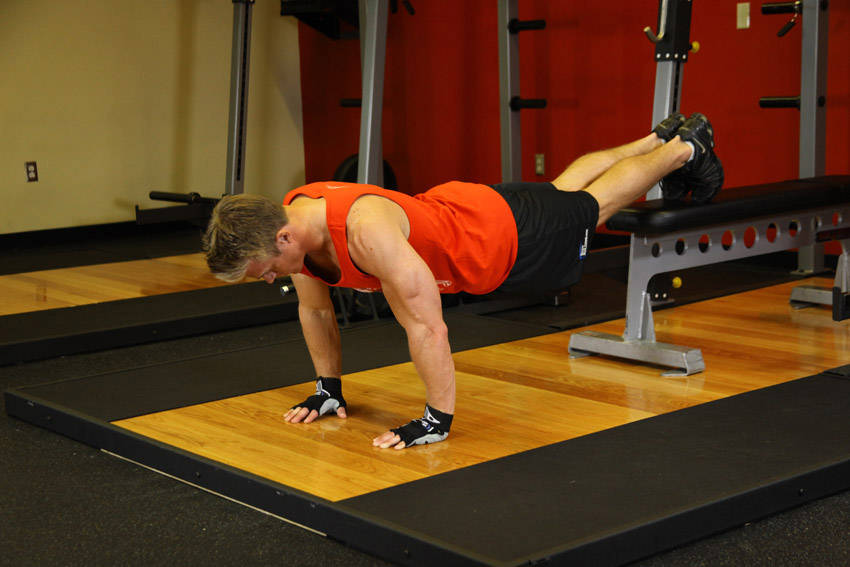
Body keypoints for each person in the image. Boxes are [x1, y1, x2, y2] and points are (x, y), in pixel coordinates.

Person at [203, 112, 723, 449]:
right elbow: (314, 310)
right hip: (464, 208)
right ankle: (659, 136)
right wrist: (327, 390)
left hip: (499, 238)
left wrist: (435, 419)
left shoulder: (365, 234)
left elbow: (429, 329)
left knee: (592, 206)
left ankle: (684, 150)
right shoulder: (297, 219)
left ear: (283, 240)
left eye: (264, 269)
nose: (271, 278)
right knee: (562, 189)